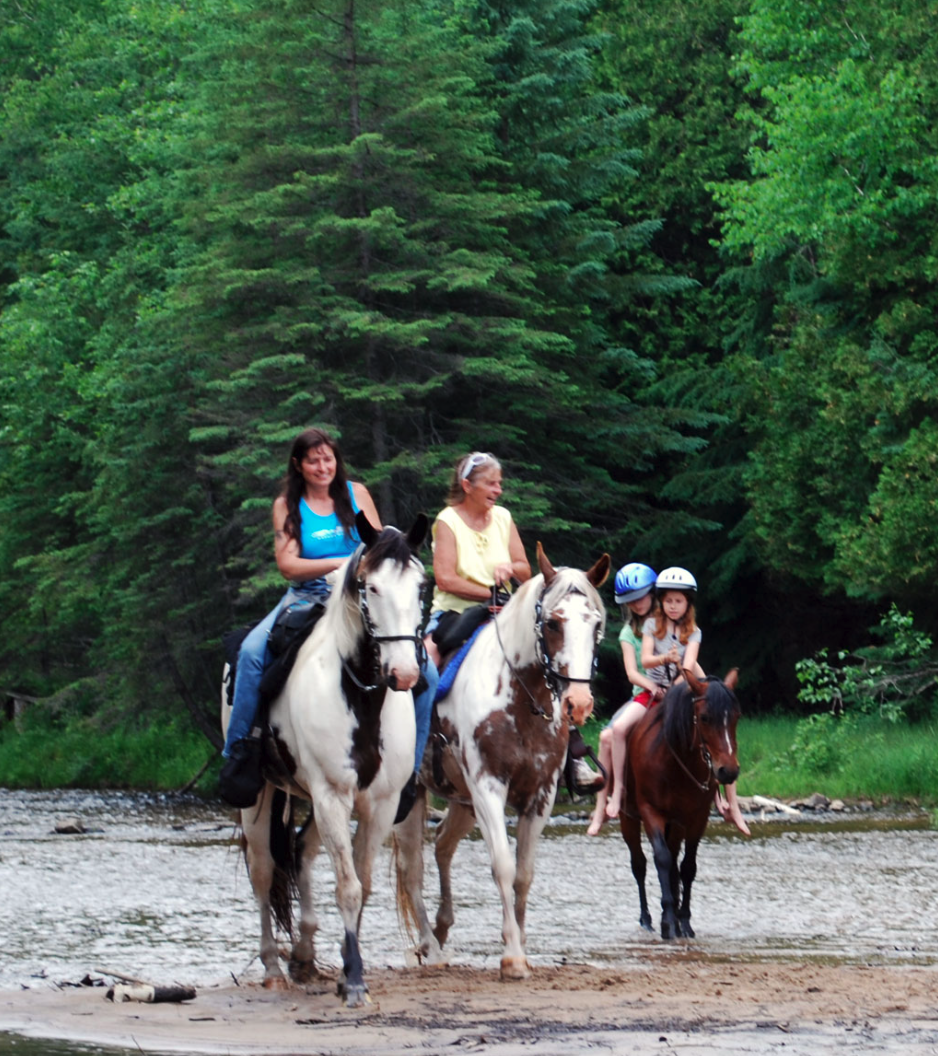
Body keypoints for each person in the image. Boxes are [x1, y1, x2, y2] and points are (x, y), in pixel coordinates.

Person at [219, 428, 436, 813]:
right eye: (313, 460)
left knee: (428, 675)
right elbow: (288, 564)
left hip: (359, 600)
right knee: (252, 652)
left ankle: (411, 770)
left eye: (328, 459)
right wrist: (343, 563)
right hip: (309, 595)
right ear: (298, 466)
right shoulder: (288, 505)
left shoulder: (357, 495)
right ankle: (241, 751)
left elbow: (380, 545)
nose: (323, 467)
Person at [641, 567, 750, 837]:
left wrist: (675, 693)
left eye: (679, 601)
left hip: (683, 688)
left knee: (718, 734)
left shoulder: (694, 632)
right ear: (661, 602)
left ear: (688, 603)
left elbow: (688, 667)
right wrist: (664, 660)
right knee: (618, 732)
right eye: (668, 601)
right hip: (654, 688)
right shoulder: (651, 627)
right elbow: (645, 660)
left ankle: (731, 805)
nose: (673, 606)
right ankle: (619, 792)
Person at [424, 451, 531, 669]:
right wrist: (492, 595)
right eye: (491, 483)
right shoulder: (448, 520)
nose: (498, 490)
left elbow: (525, 570)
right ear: (467, 486)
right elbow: (446, 580)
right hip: (453, 615)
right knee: (424, 671)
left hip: (503, 613)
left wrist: (511, 568)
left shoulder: (503, 517)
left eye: (499, 484)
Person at [586, 563, 663, 836]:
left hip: (672, 691)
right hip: (644, 693)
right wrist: (652, 686)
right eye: (631, 600)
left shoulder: (669, 623)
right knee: (607, 737)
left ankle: (721, 799)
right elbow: (632, 673)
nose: (637, 603)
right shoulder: (628, 633)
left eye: (641, 596)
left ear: (652, 593)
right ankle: (604, 804)